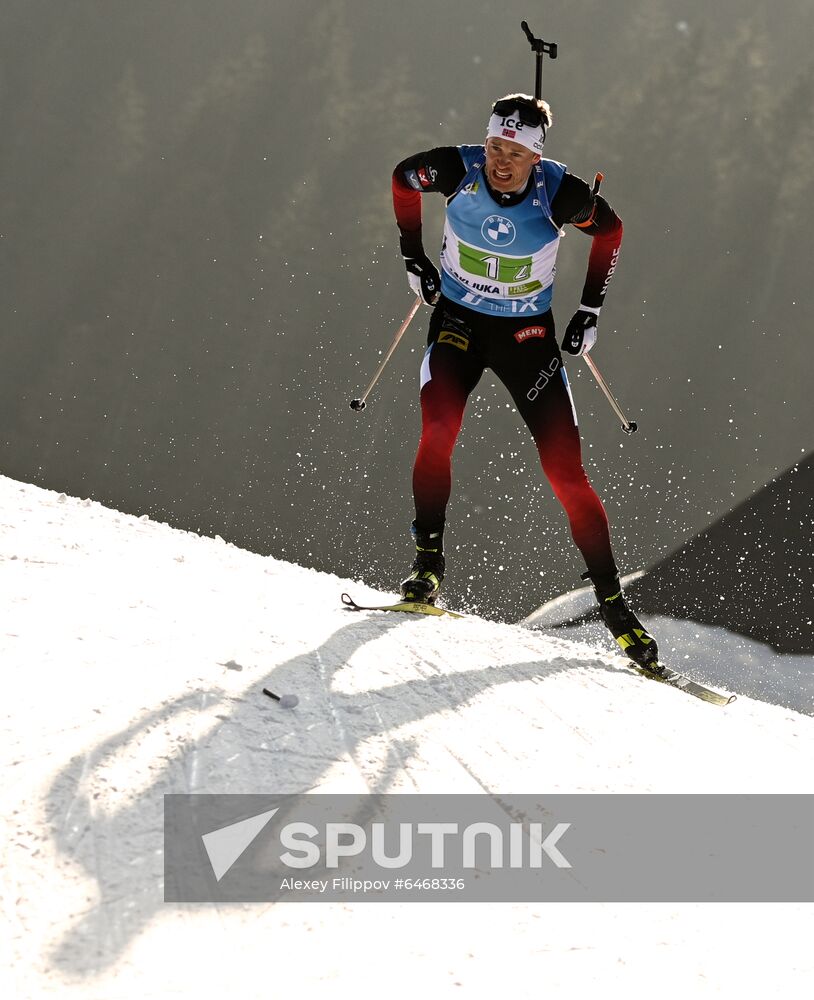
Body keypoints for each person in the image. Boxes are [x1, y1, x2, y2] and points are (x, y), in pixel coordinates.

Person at [391, 93, 659, 669]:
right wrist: (414, 257)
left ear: (537, 156)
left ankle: (614, 608)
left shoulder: (558, 192)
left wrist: (590, 311)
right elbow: (402, 179)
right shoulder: (456, 168)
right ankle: (426, 565)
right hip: (459, 325)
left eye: (515, 152)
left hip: (526, 340)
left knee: (565, 469)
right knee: (437, 430)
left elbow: (610, 233)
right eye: (494, 146)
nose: (500, 161)